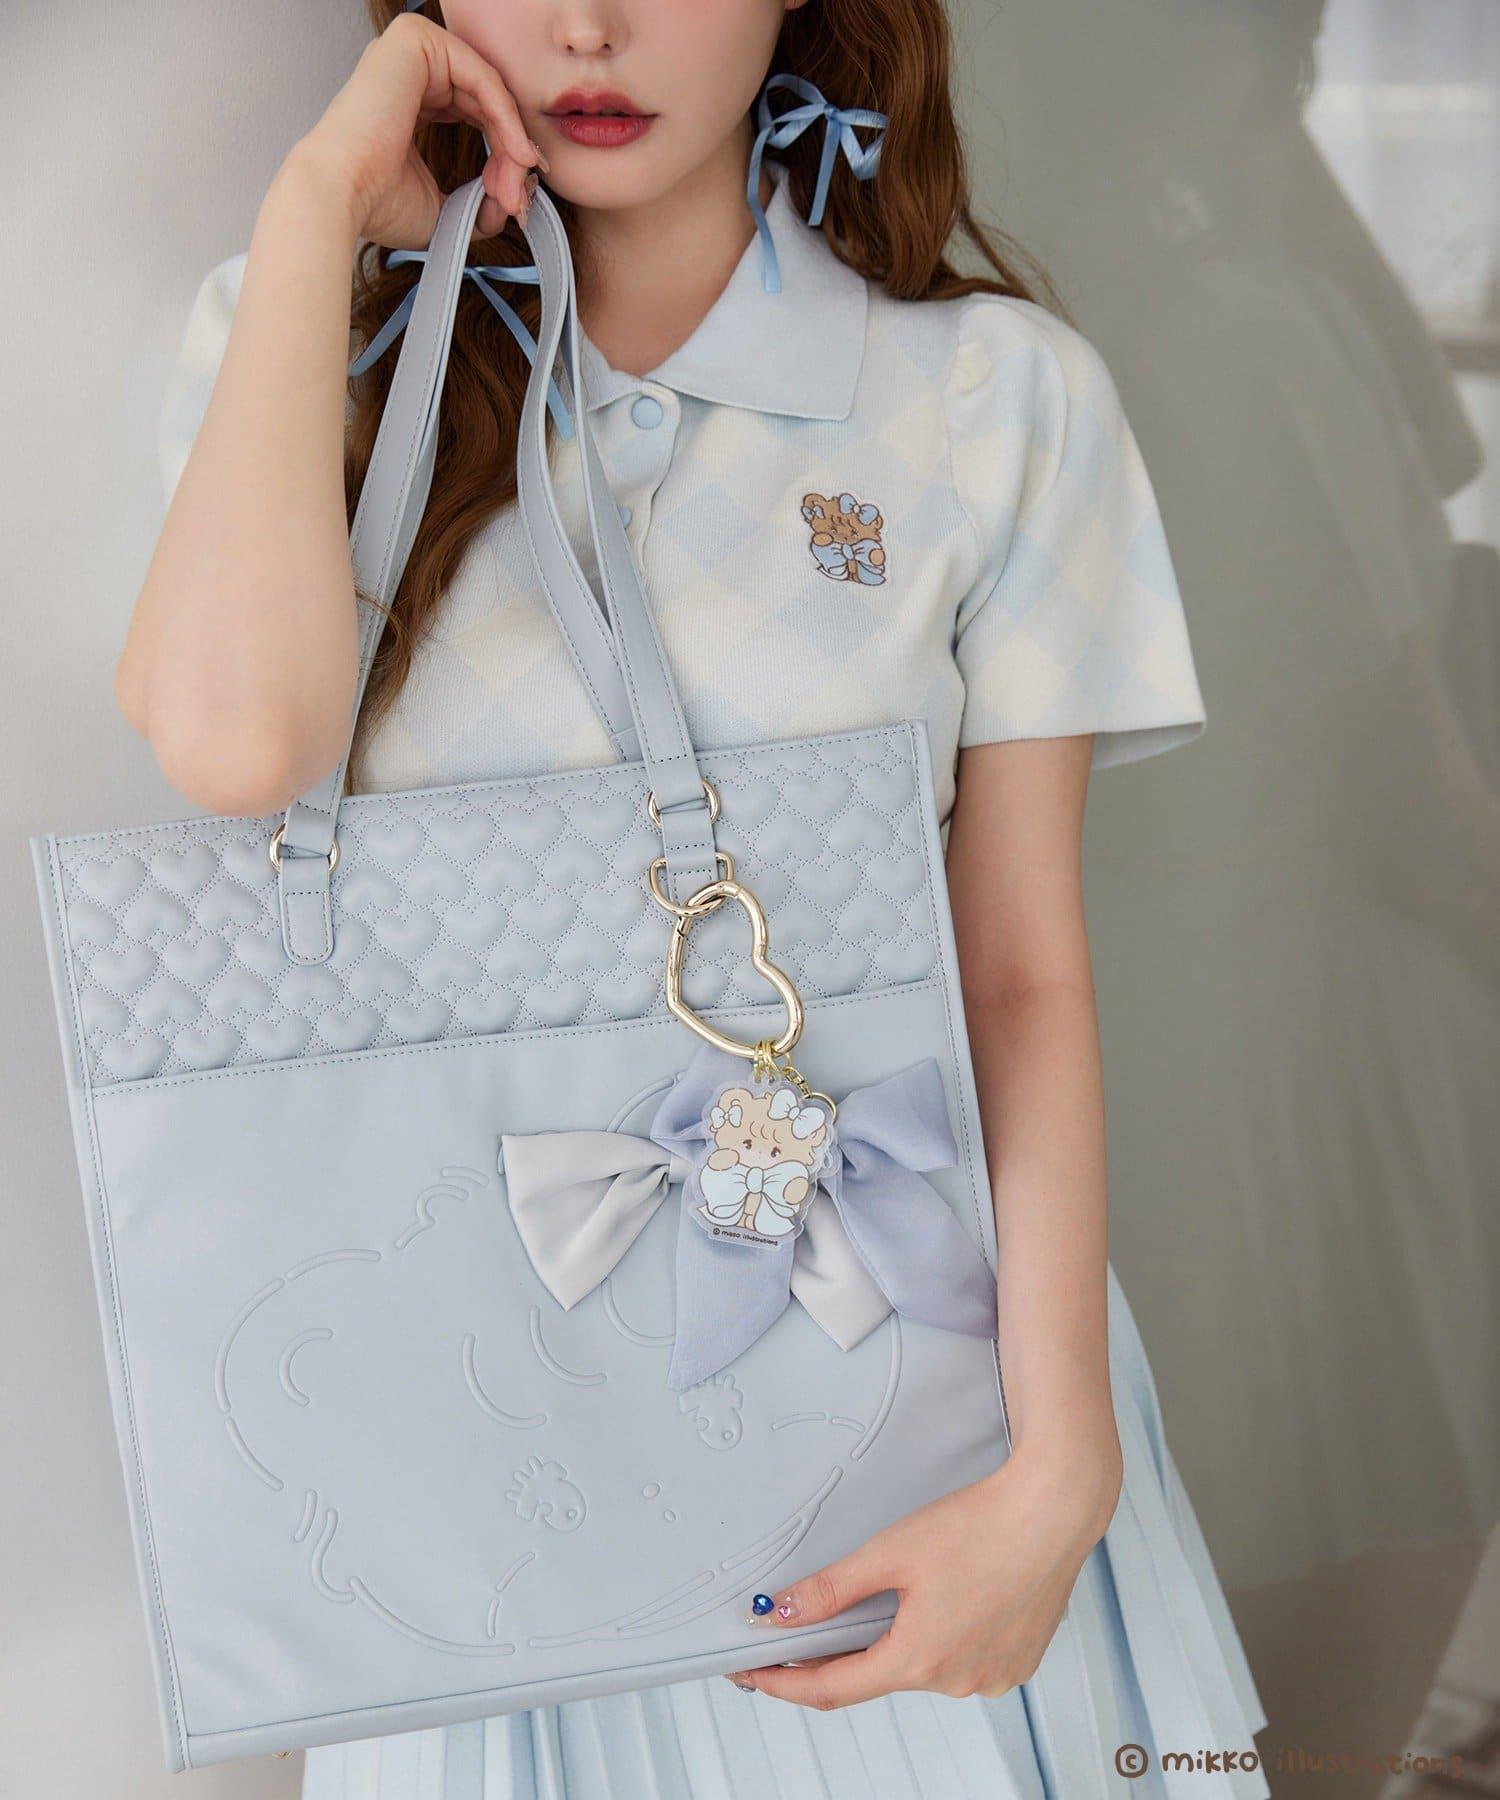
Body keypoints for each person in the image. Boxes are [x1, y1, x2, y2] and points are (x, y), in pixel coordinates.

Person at [124, 2, 1268, 1793]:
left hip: (912, 1422)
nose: (588, 26)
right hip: (485, 1466)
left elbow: (1020, 976)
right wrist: (313, 204)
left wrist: (1059, 1476)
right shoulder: (301, 337)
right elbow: (233, 751)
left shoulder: (996, 395)